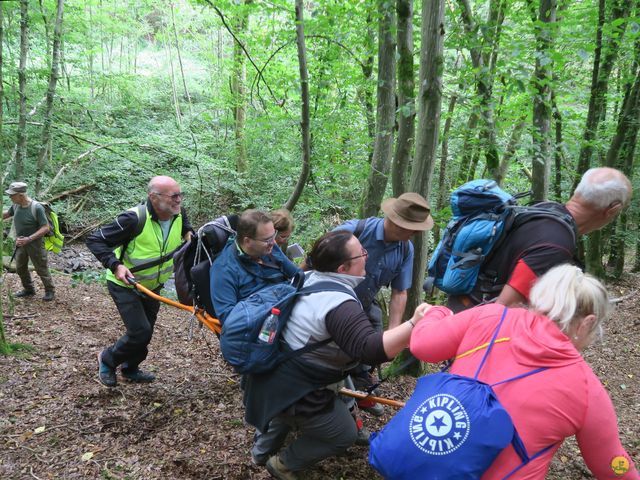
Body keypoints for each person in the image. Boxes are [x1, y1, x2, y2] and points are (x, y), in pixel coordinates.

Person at [410, 264, 638, 479]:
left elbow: (423, 345)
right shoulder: (587, 389)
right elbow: (612, 464)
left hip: (428, 467)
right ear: (587, 323)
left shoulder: (490, 316)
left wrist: (437, 312)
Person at [244, 230, 430, 480]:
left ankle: (261, 451)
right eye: (362, 253)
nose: (367, 255)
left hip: (272, 375)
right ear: (343, 268)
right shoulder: (338, 304)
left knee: (287, 414)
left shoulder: (307, 278)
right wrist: (414, 323)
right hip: (296, 388)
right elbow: (369, 350)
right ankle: (283, 464)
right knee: (344, 434)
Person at [449, 167, 632, 312]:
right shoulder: (555, 243)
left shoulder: (545, 210)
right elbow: (505, 307)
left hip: (462, 307)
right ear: (613, 209)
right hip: (473, 332)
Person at [87, 176, 192, 387]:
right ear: (154, 197)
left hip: (152, 286)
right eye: (174, 196)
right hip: (125, 284)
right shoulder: (133, 219)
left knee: (146, 332)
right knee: (140, 331)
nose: (179, 200)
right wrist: (116, 265)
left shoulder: (177, 213)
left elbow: (184, 226)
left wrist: (189, 233)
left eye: (180, 194)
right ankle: (107, 359)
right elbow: (95, 239)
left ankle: (130, 368)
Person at [334, 192, 433, 415]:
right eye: (413, 227)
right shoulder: (354, 232)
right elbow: (315, 261)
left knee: (374, 342)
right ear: (397, 221)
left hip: (366, 303)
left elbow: (399, 292)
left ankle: (361, 388)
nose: (416, 233)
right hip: (332, 303)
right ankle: (338, 398)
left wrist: (394, 333)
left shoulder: (405, 249)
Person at [210, 209, 300, 324]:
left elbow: (297, 275)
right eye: (267, 240)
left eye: (274, 236)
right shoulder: (224, 269)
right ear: (247, 241)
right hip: (265, 325)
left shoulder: (270, 248)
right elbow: (228, 318)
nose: (273, 242)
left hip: (290, 307)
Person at [2, 181, 55, 301]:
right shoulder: (16, 205)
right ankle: (29, 289)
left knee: (41, 268)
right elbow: (6, 215)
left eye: (12, 195)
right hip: (20, 243)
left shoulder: (36, 207)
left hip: (35, 243)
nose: (10, 197)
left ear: (21, 195)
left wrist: (29, 239)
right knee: (20, 267)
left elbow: (45, 227)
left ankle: (50, 290)